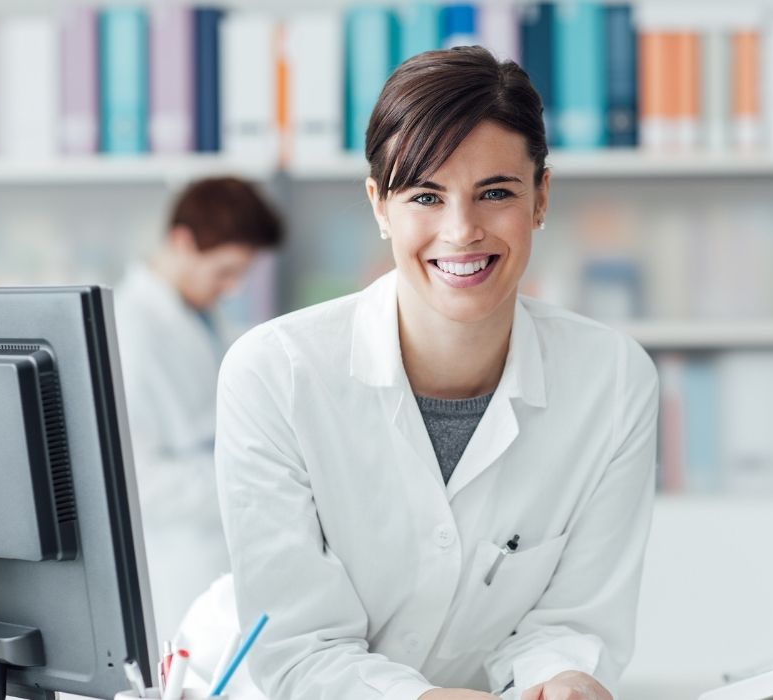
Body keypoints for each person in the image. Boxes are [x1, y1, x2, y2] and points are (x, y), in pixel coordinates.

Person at [209, 47, 658, 700]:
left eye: (496, 193)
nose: (462, 230)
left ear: (541, 198)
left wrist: (564, 677)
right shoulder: (276, 374)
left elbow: (571, 621)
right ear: (379, 207)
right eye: (426, 195)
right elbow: (301, 652)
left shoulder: (613, 382)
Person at [114, 176, 283, 643]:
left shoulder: (201, 316)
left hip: (222, 552)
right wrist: (250, 482)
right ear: (182, 241)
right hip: (178, 561)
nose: (233, 289)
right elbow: (136, 480)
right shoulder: (130, 332)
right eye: (225, 272)